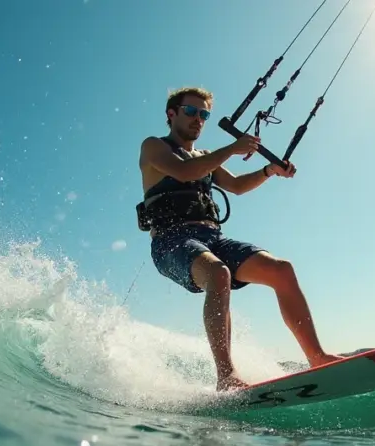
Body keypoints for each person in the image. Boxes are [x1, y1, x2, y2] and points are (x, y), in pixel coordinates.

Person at [136, 87, 343, 391]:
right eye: (191, 112)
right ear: (172, 114)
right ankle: (226, 376)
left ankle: (318, 357)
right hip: (171, 242)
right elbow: (182, 172)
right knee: (218, 273)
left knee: (281, 270)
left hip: (212, 237)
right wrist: (233, 148)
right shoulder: (153, 146)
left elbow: (237, 185)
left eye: (203, 114)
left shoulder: (206, 157)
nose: (198, 119)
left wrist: (269, 170)